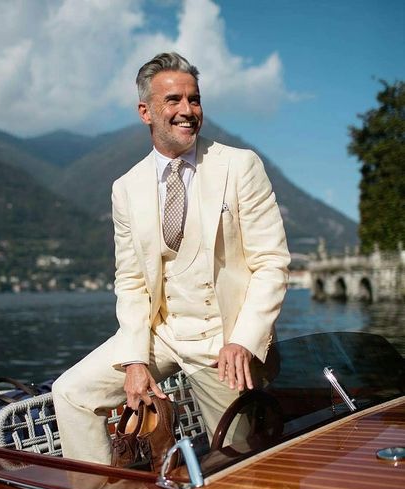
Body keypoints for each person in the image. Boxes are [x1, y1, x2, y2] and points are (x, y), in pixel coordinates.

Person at [52, 52, 290, 464]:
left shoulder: (240, 166)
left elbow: (271, 263)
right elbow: (130, 281)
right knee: (71, 394)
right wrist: (134, 359)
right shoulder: (125, 188)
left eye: (194, 100)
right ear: (145, 112)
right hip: (162, 334)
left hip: (223, 340)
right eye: (174, 101)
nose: (187, 111)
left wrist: (243, 341)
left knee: (238, 460)